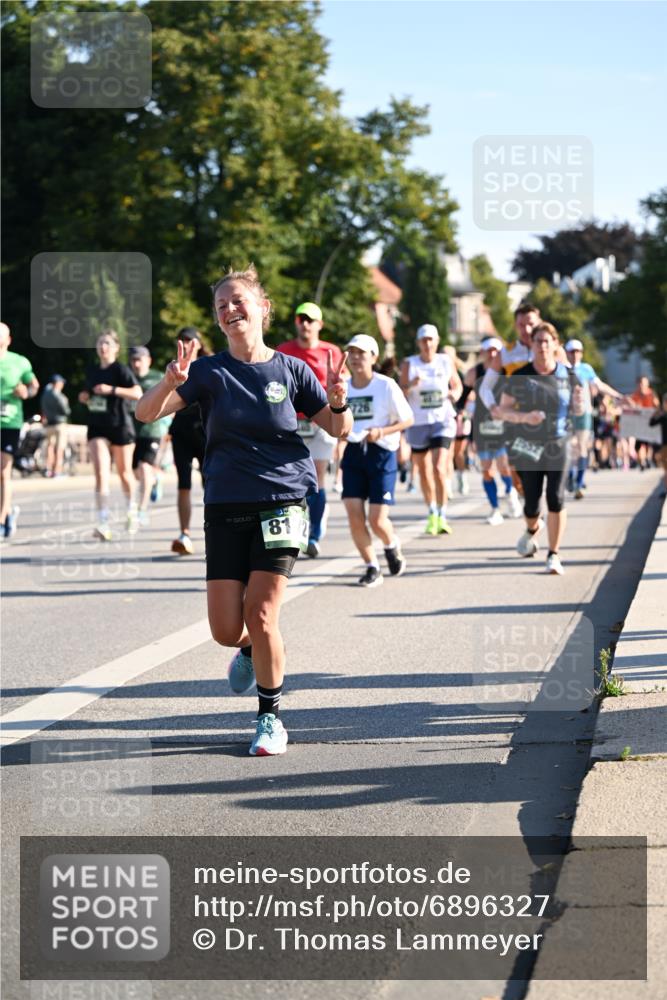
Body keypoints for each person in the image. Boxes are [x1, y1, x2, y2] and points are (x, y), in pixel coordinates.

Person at [135, 266, 351, 756]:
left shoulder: (293, 371)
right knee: (226, 630)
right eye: (221, 306)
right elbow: (146, 415)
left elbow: (339, 430)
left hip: (284, 500)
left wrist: (339, 403)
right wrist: (170, 381)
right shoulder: (208, 372)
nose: (230, 310)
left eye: (238, 301)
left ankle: (270, 717)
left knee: (263, 612)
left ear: (262, 308)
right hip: (227, 504)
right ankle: (249, 649)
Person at [494, 322, 583, 575]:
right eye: (538, 341)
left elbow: (580, 410)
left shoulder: (568, 374)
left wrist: (579, 405)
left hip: (559, 442)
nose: (542, 346)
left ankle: (554, 554)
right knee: (531, 503)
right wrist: (525, 418)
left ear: (555, 345)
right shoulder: (521, 375)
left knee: (556, 497)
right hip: (528, 445)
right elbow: (503, 411)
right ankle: (533, 527)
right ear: (531, 346)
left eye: (547, 341)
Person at [344, 334, 414, 586]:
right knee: (353, 515)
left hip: (381, 454)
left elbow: (407, 419)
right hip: (353, 452)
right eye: (351, 352)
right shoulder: (344, 386)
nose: (355, 358)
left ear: (373, 357)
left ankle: (391, 544)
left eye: (361, 353)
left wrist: (381, 432)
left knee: (376, 519)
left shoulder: (386, 385)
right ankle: (371, 566)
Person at [276, 302, 345, 557]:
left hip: (321, 421)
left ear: (320, 324)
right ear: (296, 322)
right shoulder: (283, 350)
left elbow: (341, 384)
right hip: (292, 423)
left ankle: (314, 533)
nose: (305, 324)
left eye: (310, 320)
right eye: (301, 319)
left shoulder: (331, 351)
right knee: (292, 480)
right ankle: (297, 529)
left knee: (315, 478)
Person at [78, 330, 142, 541]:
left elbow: (137, 393)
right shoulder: (92, 370)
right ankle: (103, 522)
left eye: (107, 343)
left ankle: (132, 510)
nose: (103, 347)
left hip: (120, 425)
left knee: (124, 474)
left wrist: (112, 389)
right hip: (97, 426)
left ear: (115, 348)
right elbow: (87, 394)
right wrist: (84, 396)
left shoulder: (121, 370)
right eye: (100, 343)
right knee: (101, 473)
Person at [399, 325, 461, 535]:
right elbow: (400, 392)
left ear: (437, 341)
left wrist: (455, 394)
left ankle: (443, 513)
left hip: (441, 420)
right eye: (423, 340)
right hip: (417, 422)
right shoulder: (410, 363)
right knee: (424, 473)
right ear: (418, 343)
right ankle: (432, 510)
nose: (427, 344)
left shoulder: (445, 361)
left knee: (439, 467)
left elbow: (458, 386)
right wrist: (410, 385)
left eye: (431, 340)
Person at [467, 337, 522, 524]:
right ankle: (495, 509)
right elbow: (464, 395)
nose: (492, 354)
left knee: (504, 466)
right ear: (482, 352)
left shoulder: (508, 371)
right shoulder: (476, 372)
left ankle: (510, 491)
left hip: (504, 424)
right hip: (482, 426)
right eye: (488, 350)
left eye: (495, 351)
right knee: (487, 471)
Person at [564, 339, 625, 498]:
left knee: (582, 446)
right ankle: (570, 477)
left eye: (578, 351)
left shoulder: (586, 369)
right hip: (566, 414)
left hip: (584, 413)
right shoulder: (561, 369)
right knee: (570, 446)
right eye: (571, 352)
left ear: (581, 353)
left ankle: (579, 482)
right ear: (566, 353)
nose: (575, 355)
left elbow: (600, 385)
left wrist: (617, 395)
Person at [168, 327, 209, 554]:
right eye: (181, 340)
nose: (186, 344)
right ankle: (184, 533)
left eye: (190, 340)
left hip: (206, 432)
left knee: (210, 484)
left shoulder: (210, 366)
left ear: (199, 344)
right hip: (181, 432)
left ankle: (213, 532)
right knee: (183, 484)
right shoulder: (173, 368)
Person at [0, 321, 39, 538]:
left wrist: (26, 392)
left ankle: (2, 517)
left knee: (3, 472)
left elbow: (34, 386)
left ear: (8, 339)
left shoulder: (19, 362)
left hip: (9, 422)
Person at [129, 347, 172, 525]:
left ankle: (142, 509)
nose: (137, 364)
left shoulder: (157, 377)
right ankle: (154, 480)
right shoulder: (128, 379)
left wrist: (167, 425)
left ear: (149, 360)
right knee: (136, 473)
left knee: (145, 468)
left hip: (152, 430)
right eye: (133, 360)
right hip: (131, 431)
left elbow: (171, 398)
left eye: (140, 359)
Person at [41, 374, 71, 478]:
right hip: (59, 424)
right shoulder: (58, 395)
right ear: (57, 383)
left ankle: (48, 469)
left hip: (49, 425)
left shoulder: (45, 394)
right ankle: (57, 471)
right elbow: (66, 411)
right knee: (59, 449)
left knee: (50, 447)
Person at [629, 375, 660, 470]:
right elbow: (631, 406)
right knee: (640, 443)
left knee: (648, 443)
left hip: (650, 422)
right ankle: (642, 461)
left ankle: (647, 459)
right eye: (640, 383)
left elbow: (657, 406)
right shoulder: (635, 395)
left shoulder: (651, 394)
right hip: (639, 423)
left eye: (644, 383)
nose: (642, 385)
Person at [649, 394, 667, 498]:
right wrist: (656, 412)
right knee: (665, 470)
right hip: (664, 446)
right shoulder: (662, 416)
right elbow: (651, 423)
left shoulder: (662, 416)